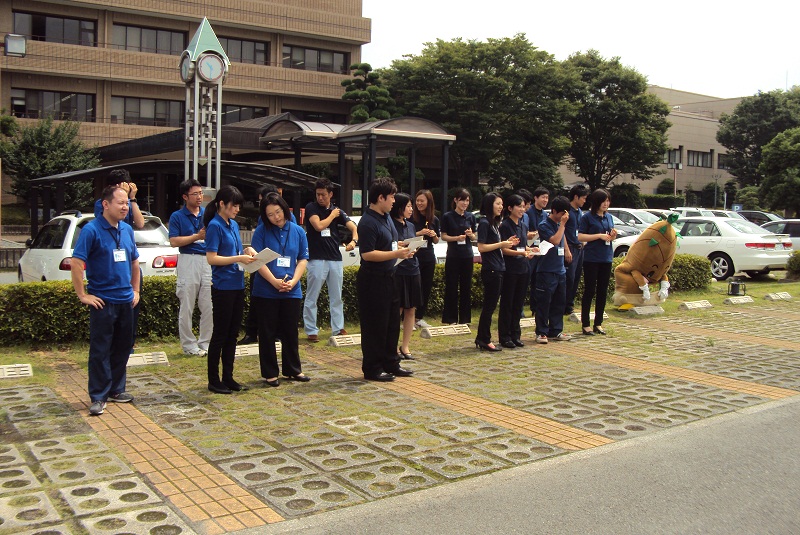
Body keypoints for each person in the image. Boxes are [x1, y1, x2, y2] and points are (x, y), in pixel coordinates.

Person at [71, 185, 140, 416]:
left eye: (126, 203)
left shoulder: (127, 230)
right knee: (101, 350)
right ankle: (98, 395)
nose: (125, 207)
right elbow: (76, 263)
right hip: (103, 301)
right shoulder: (91, 230)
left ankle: (116, 390)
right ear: (105, 204)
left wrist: (136, 291)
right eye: (120, 203)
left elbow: (134, 263)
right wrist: (83, 295)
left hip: (125, 301)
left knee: (123, 347)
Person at [357, 178, 414, 382]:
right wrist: (396, 254)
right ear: (380, 198)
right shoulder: (367, 222)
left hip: (390, 277)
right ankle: (372, 368)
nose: (393, 201)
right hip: (373, 280)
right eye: (390, 197)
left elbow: (388, 243)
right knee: (375, 326)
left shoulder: (387, 217)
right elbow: (368, 254)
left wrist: (403, 248)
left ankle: (391, 362)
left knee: (391, 323)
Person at [251, 193, 310, 387]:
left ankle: (293, 369)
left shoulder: (298, 231)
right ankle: (270, 373)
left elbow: (302, 258)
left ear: (284, 209)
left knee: (290, 331)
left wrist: (293, 281)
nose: (276, 217)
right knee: (267, 332)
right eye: (270, 214)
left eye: (278, 212)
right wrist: (274, 281)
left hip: (291, 289)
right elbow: (257, 260)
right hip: (266, 289)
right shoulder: (261, 232)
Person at [204, 186, 256, 394]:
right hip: (223, 286)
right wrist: (238, 258)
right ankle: (213, 379)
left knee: (233, 333)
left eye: (238, 206)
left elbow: (234, 251)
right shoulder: (215, 226)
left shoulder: (233, 225)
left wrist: (247, 251)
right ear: (221, 204)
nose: (236, 209)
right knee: (220, 333)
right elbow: (212, 258)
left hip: (237, 284)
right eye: (233, 205)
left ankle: (228, 376)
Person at [239, 184, 296, 346]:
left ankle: (273, 333)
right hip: (261, 266)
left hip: (279, 268)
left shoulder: (290, 222)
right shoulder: (263, 222)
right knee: (258, 300)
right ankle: (253, 332)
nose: (275, 217)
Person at [94, 169, 145, 351]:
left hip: (128, 265)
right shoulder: (103, 205)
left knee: (132, 309)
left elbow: (140, 223)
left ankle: (128, 344)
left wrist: (132, 200)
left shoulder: (128, 207)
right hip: (109, 271)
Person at [303, 178, 358, 342]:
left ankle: (338, 328)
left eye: (324, 195)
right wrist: (332, 215)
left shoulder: (337, 211)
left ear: (330, 194)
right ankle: (311, 330)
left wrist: (354, 240)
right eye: (318, 194)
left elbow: (353, 226)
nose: (320, 198)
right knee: (312, 296)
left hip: (334, 258)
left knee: (336, 296)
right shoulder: (311, 208)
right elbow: (318, 226)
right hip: (316, 258)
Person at [169, 179, 212, 357]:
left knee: (209, 304)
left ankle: (206, 342)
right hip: (188, 259)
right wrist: (196, 236)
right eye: (195, 194)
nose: (200, 197)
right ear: (185, 196)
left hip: (207, 260)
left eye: (201, 193)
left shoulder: (208, 214)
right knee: (186, 304)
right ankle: (188, 345)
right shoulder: (177, 216)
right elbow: (174, 241)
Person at [475, 193, 514, 351]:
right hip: (491, 268)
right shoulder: (484, 223)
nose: (500, 207)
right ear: (490, 204)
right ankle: (484, 338)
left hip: (498, 267)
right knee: (489, 306)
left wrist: (507, 243)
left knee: (491, 306)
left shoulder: (494, 223)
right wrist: (501, 244)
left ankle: (482, 337)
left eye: (501, 204)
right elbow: (481, 247)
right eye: (498, 203)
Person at [498, 194, 537, 348]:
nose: (522, 209)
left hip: (523, 268)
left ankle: (515, 334)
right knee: (508, 302)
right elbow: (505, 250)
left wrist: (531, 249)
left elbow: (522, 246)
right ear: (510, 208)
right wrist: (520, 253)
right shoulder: (505, 226)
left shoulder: (523, 225)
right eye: (519, 206)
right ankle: (505, 336)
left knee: (518, 303)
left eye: (523, 206)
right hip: (510, 269)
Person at [578, 188, 616, 336]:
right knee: (590, 290)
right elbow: (580, 237)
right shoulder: (587, 217)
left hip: (606, 257)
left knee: (602, 290)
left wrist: (612, 236)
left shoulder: (609, 217)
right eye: (603, 201)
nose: (606, 204)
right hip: (591, 258)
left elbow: (609, 236)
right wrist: (598, 236)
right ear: (596, 202)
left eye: (608, 201)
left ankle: (598, 322)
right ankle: (585, 324)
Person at [534, 196, 572, 344]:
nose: (564, 217)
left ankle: (556, 330)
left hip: (560, 269)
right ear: (554, 211)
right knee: (544, 302)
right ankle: (541, 332)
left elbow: (563, 238)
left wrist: (567, 250)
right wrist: (562, 224)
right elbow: (555, 241)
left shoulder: (559, 224)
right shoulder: (544, 225)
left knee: (559, 302)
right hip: (546, 270)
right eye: (562, 213)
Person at [391, 193, 422, 360]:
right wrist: (402, 245)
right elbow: (391, 245)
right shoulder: (390, 224)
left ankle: (405, 346)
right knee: (398, 309)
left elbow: (411, 243)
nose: (411, 209)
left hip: (413, 269)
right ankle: (393, 346)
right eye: (409, 206)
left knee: (411, 309)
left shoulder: (410, 225)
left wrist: (414, 246)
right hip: (398, 270)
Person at [440, 188, 477, 325]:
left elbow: (474, 237)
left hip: (467, 254)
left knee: (466, 287)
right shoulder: (448, 216)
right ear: (455, 200)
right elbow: (443, 236)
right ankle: (450, 318)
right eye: (462, 200)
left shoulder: (471, 217)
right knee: (451, 286)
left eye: (467, 200)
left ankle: (465, 319)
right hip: (453, 255)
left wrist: (471, 235)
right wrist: (456, 237)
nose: (465, 203)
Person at [410, 189, 440, 329]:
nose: (419, 203)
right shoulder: (411, 218)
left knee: (426, 288)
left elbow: (436, 240)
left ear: (429, 202)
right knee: (414, 288)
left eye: (422, 201)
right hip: (414, 256)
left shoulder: (434, 219)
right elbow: (406, 236)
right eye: (417, 201)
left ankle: (419, 317)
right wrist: (420, 233)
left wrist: (433, 235)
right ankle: (408, 318)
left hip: (428, 257)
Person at [564, 185, 589, 315]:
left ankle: (570, 304)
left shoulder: (579, 211)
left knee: (576, 278)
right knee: (569, 277)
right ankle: (564, 305)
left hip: (580, 248)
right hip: (570, 248)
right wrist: (566, 250)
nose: (585, 201)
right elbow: (562, 231)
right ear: (576, 197)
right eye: (583, 198)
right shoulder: (567, 211)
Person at [526, 187, 549, 318]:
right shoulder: (528, 213)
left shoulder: (545, 215)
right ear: (536, 198)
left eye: (547, 197)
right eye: (543, 197)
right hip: (529, 249)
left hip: (541, 250)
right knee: (527, 278)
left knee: (538, 281)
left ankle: (535, 308)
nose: (545, 200)